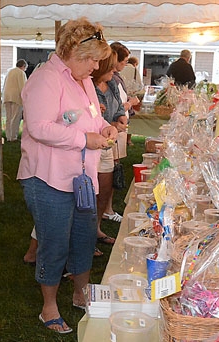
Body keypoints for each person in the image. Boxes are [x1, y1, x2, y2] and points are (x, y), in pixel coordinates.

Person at [16, 18, 116, 334]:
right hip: (48, 178)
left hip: (80, 178)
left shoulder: (82, 79)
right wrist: (84, 139)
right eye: (91, 58)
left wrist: (104, 128)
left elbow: (93, 117)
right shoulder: (45, 80)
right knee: (54, 241)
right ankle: (49, 308)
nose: (96, 65)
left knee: (85, 236)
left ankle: (80, 293)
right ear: (72, 51)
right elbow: (39, 127)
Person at [92, 48, 127, 244]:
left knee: (104, 190)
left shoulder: (112, 84)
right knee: (90, 193)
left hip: (107, 146)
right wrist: (111, 124)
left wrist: (120, 117)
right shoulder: (86, 86)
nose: (114, 71)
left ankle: (96, 228)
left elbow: (119, 108)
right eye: (111, 68)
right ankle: (85, 237)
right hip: (90, 148)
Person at [3, 59, 28, 142]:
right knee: (15, 118)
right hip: (16, 97)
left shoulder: (10, 72)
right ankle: (13, 137)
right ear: (23, 66)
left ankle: (8, 136)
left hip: (7, 96)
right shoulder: (21, 73)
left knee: (8, 117)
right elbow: (23, 87)